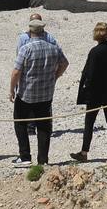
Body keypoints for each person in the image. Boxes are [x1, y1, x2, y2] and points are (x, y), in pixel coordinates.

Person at [10, 18, 69, 168]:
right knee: (44, 126)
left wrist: (11, 89)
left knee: (20, 123)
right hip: (46, 94)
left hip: (26, 94)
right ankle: (43, 159)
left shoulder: (26, 49)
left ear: (30, 32)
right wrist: (55, 76)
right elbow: (64, 63)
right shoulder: (53, 48)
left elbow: (16, 72)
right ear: (43, 31)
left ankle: (25, 156)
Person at [70, 22, 107, 163]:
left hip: (95, 93)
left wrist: (84, 90)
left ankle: (84, 152)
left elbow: (90, 73)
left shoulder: (94, 52)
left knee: (89, 122)